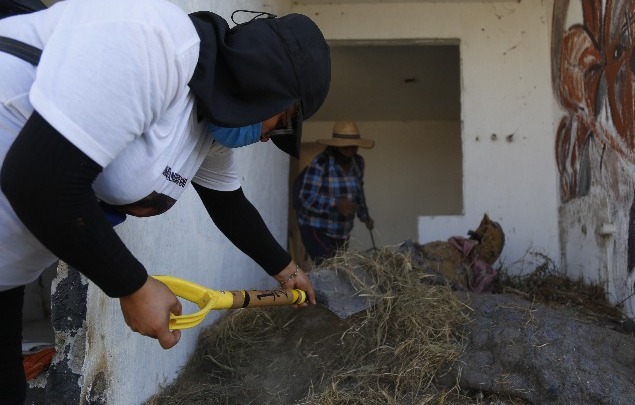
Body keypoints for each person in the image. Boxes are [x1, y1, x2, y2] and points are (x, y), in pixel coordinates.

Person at [0, 0, 330, 402]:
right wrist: (133, 285)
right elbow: (41, 178)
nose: (268, 138)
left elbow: (230, 206)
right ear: (266, 87)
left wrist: (287, 270)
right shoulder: (158, 43)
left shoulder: (208, 136)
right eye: (283, 121)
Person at [295, 121, 375, 264]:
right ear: (336, 146)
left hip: (342, 232)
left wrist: (364, 216)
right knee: (330, 269)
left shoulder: (358, 163)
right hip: (317, 229)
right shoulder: (320, 164)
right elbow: (306, 198)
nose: (350, 151)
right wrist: (336, 203)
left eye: (354, 147)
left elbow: (358, 193)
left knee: (340, 270)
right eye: (345, 147)